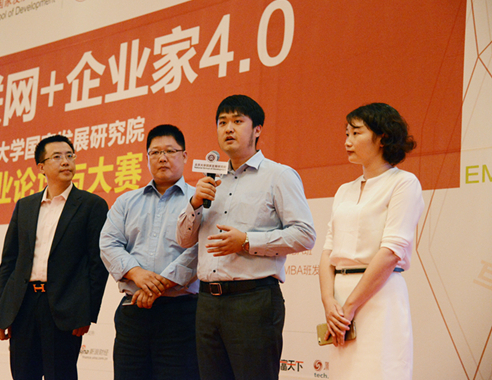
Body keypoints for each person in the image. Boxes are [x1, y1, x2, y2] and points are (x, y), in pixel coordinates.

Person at [176, 95, 316, 380]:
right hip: (207, 303)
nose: (228, 128)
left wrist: (247, 242)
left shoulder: (278, 176)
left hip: (253, 302)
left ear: (257, 129)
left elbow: (305, 235)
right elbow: (183, 240)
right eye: (222, 122)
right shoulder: (210, 181)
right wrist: (194, 203)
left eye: (238, 121)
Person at [318, 103, 424, 380]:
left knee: (380, 371)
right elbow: (328, 250)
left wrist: (350, 306)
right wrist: (329, 302)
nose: (347, 141)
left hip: (379, 295)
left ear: (382, 138)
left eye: (356, 133)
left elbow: (391, 251)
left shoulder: (403, 183)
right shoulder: (344, 190)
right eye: (346, 133)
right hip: (340, 301)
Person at [0, 134, 109, 380]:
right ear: (41, 167)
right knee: (23, 374)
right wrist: (3, 311)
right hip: (23, 305)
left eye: (69, 156)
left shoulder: (92, 205)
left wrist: (86, 312)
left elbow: (97, 265)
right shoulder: (25, 206)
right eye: (57, 157)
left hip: (64, 308)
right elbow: (9, 262)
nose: (65, 161)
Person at [99, 124, 200, 380]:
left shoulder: (200, 200)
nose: (162, 158)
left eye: (170, 151)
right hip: (133, 311)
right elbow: (108, 243)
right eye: (155, 152)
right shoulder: (126, 201)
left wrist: (160, 284)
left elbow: (200, 249)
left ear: (185, 156)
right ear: (147, 158)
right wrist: (136, 273)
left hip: (181, 313)